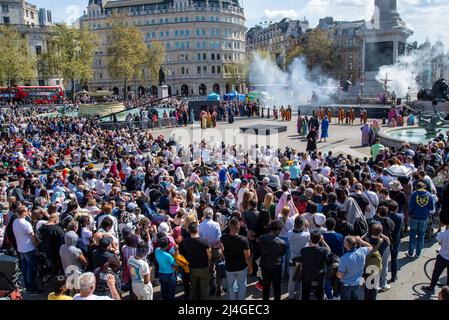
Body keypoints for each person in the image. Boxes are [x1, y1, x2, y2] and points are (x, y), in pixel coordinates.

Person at [220, 218, 252, 300]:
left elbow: (221, 250)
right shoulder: (243, 240)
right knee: (242, 285)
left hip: (229, 267)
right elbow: (247, 257)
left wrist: (224, 255)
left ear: (229, 227)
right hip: (241, 268)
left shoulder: (223, 238)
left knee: (231, 286)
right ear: (238, 227)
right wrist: (250, 267)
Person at [337, 235, 373, 300]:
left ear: (345, 245)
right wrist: (360, 241)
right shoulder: (362, 251)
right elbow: (370, 247)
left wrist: (336, 271)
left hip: (346, 285)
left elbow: (340, 276)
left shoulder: (343, 258)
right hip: (357, 283)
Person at [12, 205, 39, 294]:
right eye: (27, 211)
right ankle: (32, 289)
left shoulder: (15, 221)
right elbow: (33, 237)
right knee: (30, 269)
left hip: (21, 249)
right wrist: (36, 246)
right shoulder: (26, 224)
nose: (28, 212)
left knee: (24, 269)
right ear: (23, 213)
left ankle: (27, 287)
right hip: (29, 249)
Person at [182, 222, 211, 300]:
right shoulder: (204, 241)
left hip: (192, 267)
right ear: (197, 229)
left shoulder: (186, 241)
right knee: (204, 287)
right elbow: (209, 254)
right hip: (203, 267)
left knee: (194, 287)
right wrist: (209, 261)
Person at [259, 220, 286, 300]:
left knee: (266, 287)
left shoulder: (262, 239)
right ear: (276, 230)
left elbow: (260, 250)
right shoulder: (282, 242)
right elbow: (282, 254)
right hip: (276, 267)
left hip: (265, 266)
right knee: (277, 287)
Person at [299, 231, 331, 300]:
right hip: (319, 277)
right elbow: (329, 250)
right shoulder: (324, 251)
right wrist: (323, 241)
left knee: (305, 295)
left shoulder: (304, 250)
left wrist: (309, 243)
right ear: (320, 239)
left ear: (310, 239)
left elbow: (302, 252)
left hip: (306, 277)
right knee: (320, 295)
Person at [198, 207, 223, 296]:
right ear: (212, 215)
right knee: (218, 269)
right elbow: (219, 238)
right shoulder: (216, 224)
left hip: (206, 250)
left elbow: (200, 239)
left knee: (210, 270)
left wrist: (208, 244)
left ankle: (212, 286)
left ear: (204, 215)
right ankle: (219, 287)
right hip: (216, 249)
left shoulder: (200, 225)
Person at [407, 182, 435, 258]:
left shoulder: (414, 194)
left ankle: (410, 253)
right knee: (421, 236)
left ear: (416, 187)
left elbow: (410, 207)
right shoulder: (429, 195)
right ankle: (418, 254)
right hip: (424, 218)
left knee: (412, 236)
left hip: (414, 217)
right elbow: (432, 208)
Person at [287, 215, 310, 300]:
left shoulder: (289, 233)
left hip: (293, 258)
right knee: (302, 279)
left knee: (292, 278)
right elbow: (308, 239)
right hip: (303, 259)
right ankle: (300, 296)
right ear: (303, 225)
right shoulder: (307, 235)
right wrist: (306, 228)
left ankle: (291, 295)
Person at [422, 227, 449, 293]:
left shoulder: (444, 233)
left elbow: (439, 243)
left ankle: (431, 287)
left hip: (443, 257)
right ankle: (446, 291)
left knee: (436, 273)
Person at [155, 236, 177, 300]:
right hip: (170, 275)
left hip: (161, 274)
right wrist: (175, 252)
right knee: (171, 293)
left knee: (164, 292)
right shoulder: (168, 256)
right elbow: (175, 266)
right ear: (167, 245)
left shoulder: (157, 250)